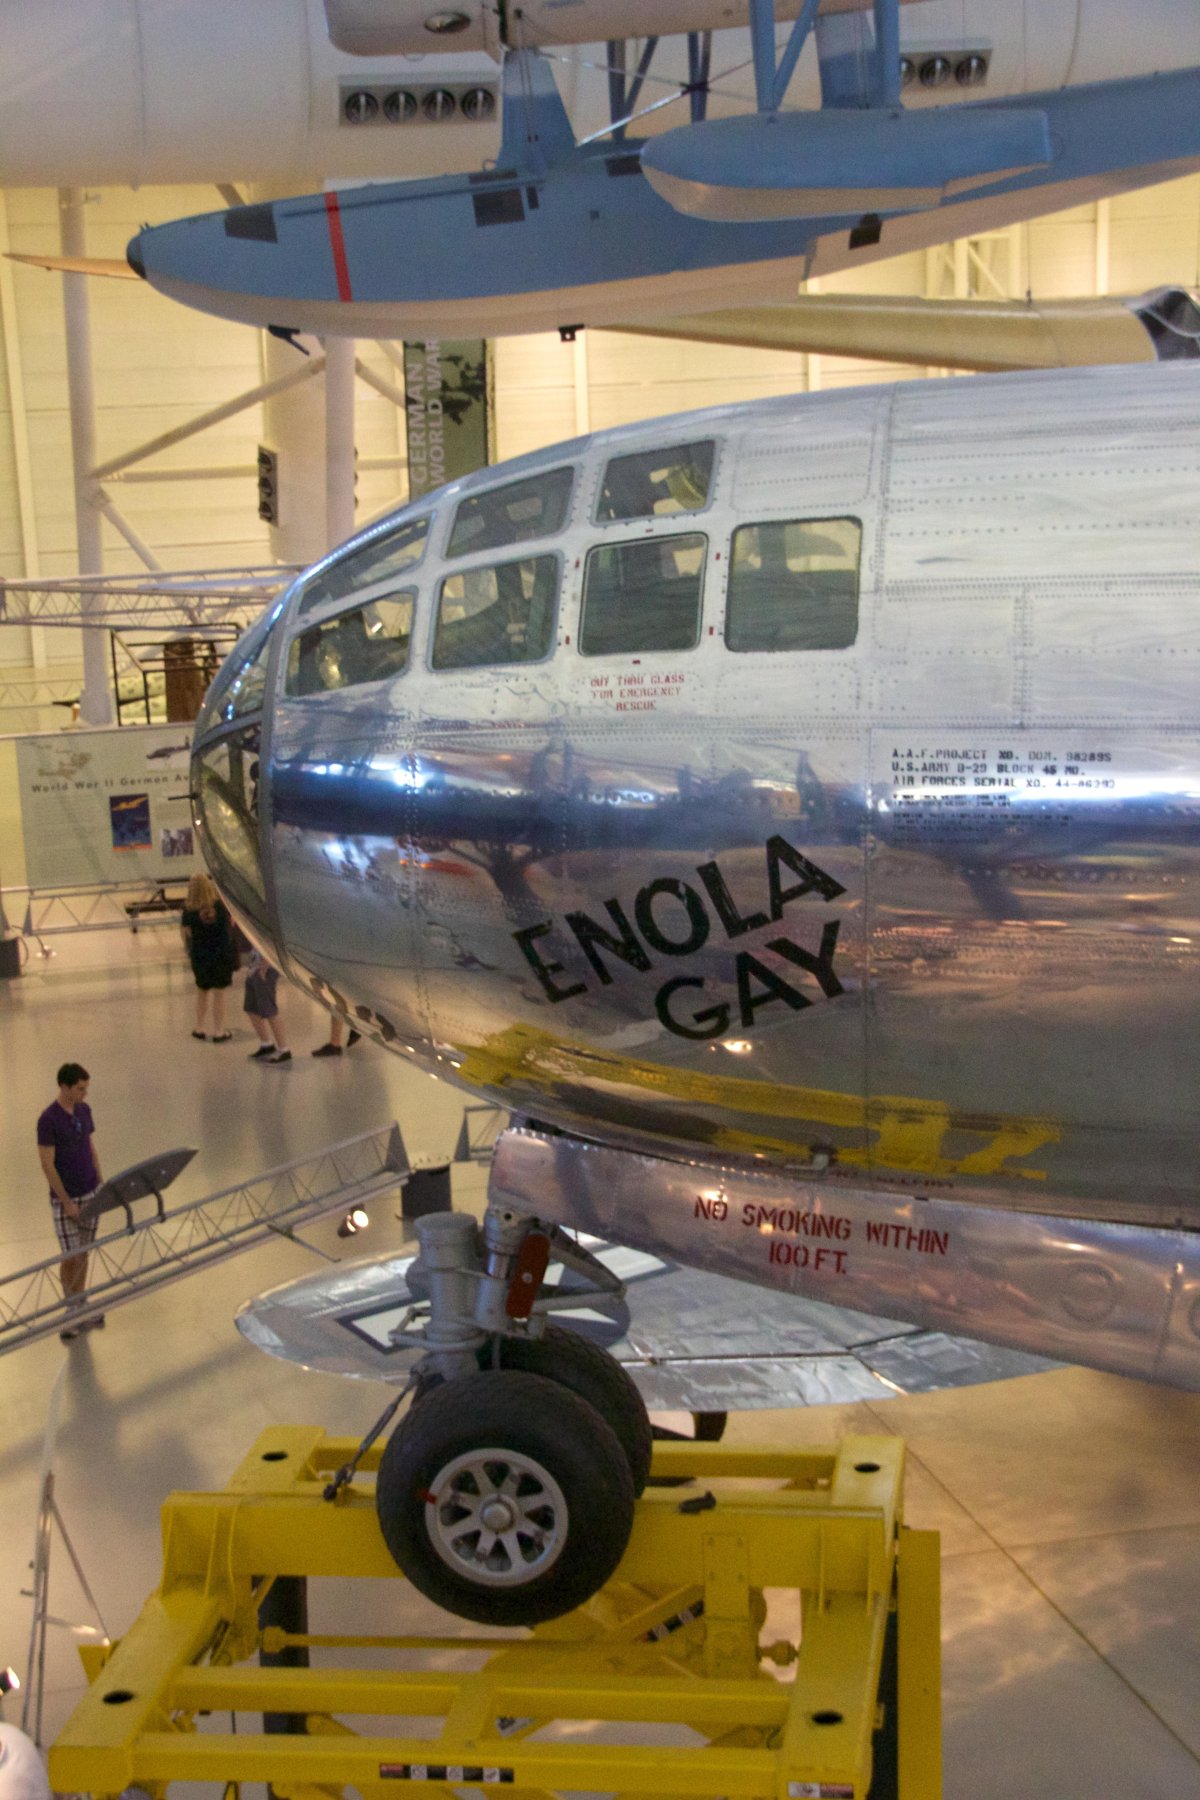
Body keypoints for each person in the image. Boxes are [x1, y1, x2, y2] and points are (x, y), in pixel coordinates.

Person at [37, 1063, 103, 1342]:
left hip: (90, 1191)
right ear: (64, 1087)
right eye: (80, 1088)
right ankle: (71, 1308)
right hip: (67, 1199)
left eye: (85, 1088)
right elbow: (47, 1164)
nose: (84, 1093)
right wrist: (65, 1201)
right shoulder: (48, 1120)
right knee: (71, 1255)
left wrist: (100, 1183)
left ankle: (81, 1301)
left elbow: (90, 1147)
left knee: (84, 1252)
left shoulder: (84, 1111)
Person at [181, 871, 238, 1040]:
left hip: (200, 955)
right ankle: (219, 1031)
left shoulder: (188, 909)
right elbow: (231, 923)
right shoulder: (219, 905)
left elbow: (187, 932)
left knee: (202, 991)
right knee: (219, 994)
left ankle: (199, 1027)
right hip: (220, 953)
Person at [244, 948, 291, 1063]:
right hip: (254, 968)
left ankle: (284, 1049)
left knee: (269, 1010)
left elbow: (269, 944)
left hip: (266, 968)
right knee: (251, 1008)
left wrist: (264, 968)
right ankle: (266, 1043)